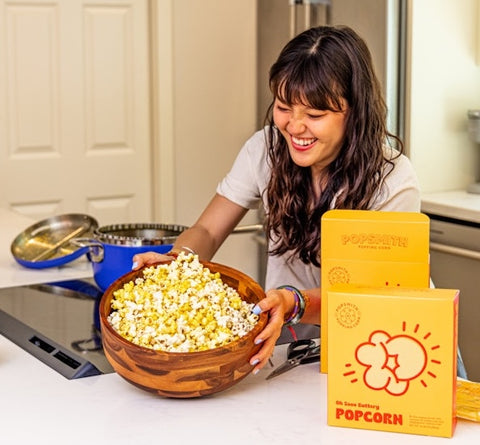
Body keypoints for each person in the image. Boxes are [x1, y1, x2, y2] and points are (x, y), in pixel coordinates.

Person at [133, 25, 421, 375]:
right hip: (295, 345)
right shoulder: (264, 149)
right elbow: (208, 230)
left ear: (355, 112)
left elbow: (373, 296)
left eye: (315, 115)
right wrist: (177, 263)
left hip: (384, 351)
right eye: (284, 107)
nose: (295, 127)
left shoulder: (392, 178)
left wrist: (294, 301)